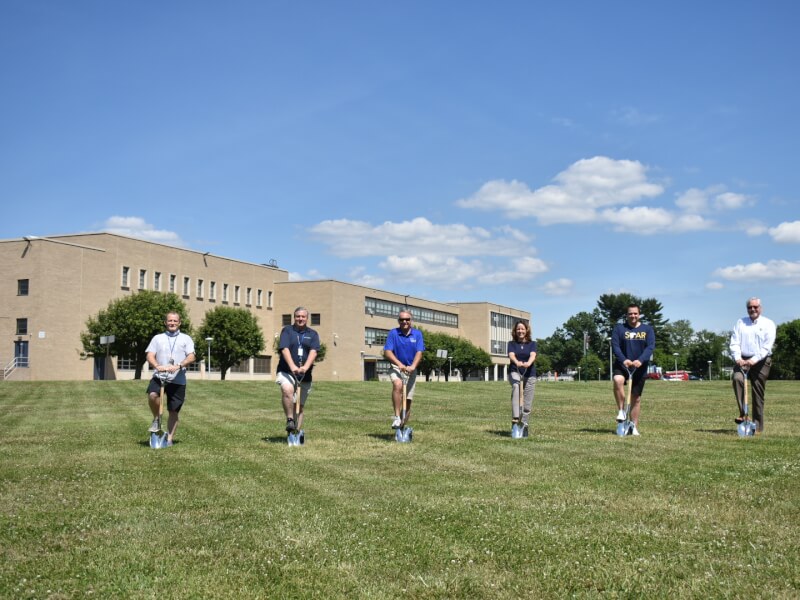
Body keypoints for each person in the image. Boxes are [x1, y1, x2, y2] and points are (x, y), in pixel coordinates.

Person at [146, 311, 196, 446]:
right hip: (159, 376)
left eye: (175, 321)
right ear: (165, 322)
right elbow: (150, 355)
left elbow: (191, 356)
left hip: (177, 380)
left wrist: (179, 365)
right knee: (152, 395)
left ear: (179, 323)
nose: (172, 323)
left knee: (173, 410)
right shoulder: (157, 338)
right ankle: (156, 419)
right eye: (170, 321)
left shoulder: (186, 338)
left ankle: (168, 439)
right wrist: (157, 365)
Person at [729, 297, 775, 434]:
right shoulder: (740, 322)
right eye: (750, 307)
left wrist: (753, 360)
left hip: (761, 361)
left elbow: (766, 347)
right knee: (737, 379)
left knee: (757, 393)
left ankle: (758, 426)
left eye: (755, 307)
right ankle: (743, 414)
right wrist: (738, 358)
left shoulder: (768, 324)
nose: (752, 309)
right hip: (742, 360)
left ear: (760, 308)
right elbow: (734, 342)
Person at [611, 303, 655, 436]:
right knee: (617, 380)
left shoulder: (647, 329)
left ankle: (632, 426)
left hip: (639, 367)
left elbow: (650, 347)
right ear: (627, 315)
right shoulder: (619, 329)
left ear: (639, 314)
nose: (633, 316)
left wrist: (640, 360)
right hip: (622, 364)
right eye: (630, 313)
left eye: (635, 313)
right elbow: (615, 346)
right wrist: (624, 359)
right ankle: (621, 413)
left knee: (636, 398)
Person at [276, 306, 320, 434]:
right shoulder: (287, 331)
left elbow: (314, 351)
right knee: (287, 390)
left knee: (299, 406)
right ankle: (290, 419)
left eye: (303, 316)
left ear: (307, 318)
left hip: (305, 375)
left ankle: (295, 432)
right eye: (297, 316)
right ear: (294, 317)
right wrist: (293, 367)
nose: (300, 319)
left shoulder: (313, 334)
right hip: (286, 371)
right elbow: (284, 348)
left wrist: (305, 367)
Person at [383, 310, 425, 429]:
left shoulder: (417, 334)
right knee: (398, 385)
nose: (404, 321)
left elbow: (419, 352)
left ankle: (401, 425)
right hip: (397, 366)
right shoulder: (393, 333)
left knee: (407, 401)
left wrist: (413, 366)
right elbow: (388, 352)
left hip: (411, 369)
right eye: (402, 320)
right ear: (398, 321)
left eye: (407, 319)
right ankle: (396, 417)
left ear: (411, 321)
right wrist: (399, 364)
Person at [507, 320, 537, 435]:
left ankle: (524, 425)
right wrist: (516, 362)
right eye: (518, 329)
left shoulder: (532, 344)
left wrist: (528, 363)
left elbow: (533, 354)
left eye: (522, 329)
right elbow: (511, 355)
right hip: (515, 371)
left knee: (527, 401)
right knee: (516, 385)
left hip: (530, 374)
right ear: (515, 331)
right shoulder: (512, 344)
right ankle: (515, 419)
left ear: (526, 330)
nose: (520, 331)